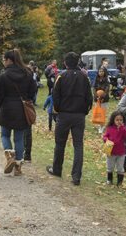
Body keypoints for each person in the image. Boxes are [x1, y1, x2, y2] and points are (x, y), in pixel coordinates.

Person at [46, 52, 93, 186]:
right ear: (77, 62)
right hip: (79, 115)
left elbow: (55, 95)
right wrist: (85, 110)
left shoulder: (61, 76)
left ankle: (57, 169)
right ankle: (76, 176)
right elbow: (89, 97)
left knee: (60, 143)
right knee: (78, 145)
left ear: (65, 63)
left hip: (64, 114)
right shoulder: (84, 77)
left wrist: (58, 109)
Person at [0, 49, 37, 175]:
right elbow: (33, 90)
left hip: (7, 107)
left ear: (9, 60)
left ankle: (10, 156)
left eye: (4, 59)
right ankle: (18, 167)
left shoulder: (3, 75)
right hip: (22, 107)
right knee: (19, 138)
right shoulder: (27, 73)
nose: (3, 62)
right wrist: (27, 99)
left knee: (5, 134)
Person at [102, 111, 126, 186]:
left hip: (121, 152)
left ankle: (119, 182)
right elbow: (105, 136)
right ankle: (109, 180)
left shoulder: (123, 129)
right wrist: (105, 139)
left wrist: (123, 128)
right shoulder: (110, 128)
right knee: (110, 166)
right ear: (113, 120)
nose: (119, 121)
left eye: (121, 120)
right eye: (117, 120)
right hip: (110, 151)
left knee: (120, 168)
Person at [93, 66, 111, 132]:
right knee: (98, 112)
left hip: (104, 99)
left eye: (102, 71)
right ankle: (99, 125)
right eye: (100, 71)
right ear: (98, 72)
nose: (101, 72)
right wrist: (96, 95)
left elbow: (107, 88)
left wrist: (103, 95)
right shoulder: (96, 79)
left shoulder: (107, 79)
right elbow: (94, 87)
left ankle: (102, 126)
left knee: (102, 112)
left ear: (104, 72)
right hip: (97, 99)